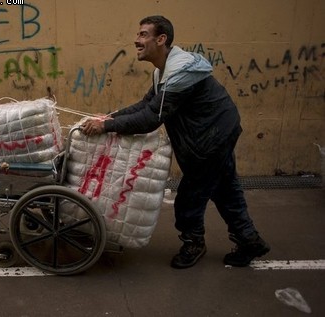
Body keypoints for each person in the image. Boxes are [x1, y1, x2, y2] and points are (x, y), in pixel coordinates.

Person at [81, 15, 270, 269]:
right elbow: (145, 105)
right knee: (226, 190)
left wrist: (106, 126)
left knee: (190, 198)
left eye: (143, 35)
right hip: (218, 131)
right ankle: (249, 240)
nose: (136, 40)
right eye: (138, 34)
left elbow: (150, 118)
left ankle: (194, 243)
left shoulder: (179, 74)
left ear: (161, 39)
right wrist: (109, 117)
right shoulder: (164, 72)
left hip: (211, 138)